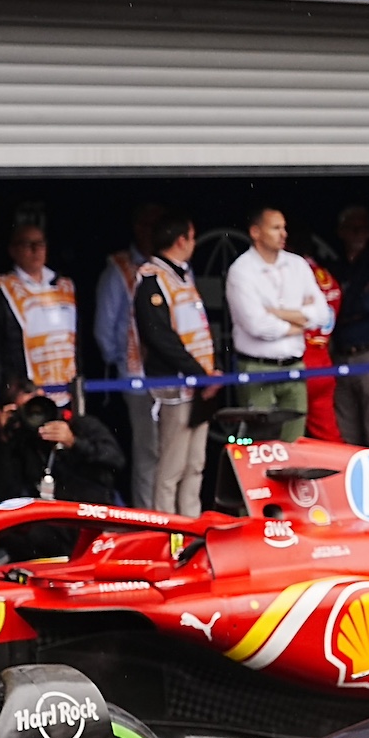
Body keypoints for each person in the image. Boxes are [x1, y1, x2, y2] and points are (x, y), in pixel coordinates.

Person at [134, 214, 218, 516]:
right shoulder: (152, 277)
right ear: (181, 240)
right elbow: (160, 337)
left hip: (199, 384)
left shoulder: (184, 275)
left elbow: (199, 331)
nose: (193, 244)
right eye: (193, 237)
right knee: (171, 468)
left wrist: (208, 374)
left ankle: (191, 531)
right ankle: (167, 538)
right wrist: (200, 375)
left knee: (195, 465)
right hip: (175, 385)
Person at [225, 207, 329, 443]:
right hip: (257, 368)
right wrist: (299, 320)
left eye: (284, 227)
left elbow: (322, 314)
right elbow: (257, 325)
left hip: (295, 367)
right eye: (275, 228)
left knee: (294, 445)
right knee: (259, 445)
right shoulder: (241, 270)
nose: (283, 233)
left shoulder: (298, 265)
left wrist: (279, 313)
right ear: (255, 232)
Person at [95, 202, 163, 506]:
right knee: (146, 453)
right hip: (135, 378)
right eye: (149, 225)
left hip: (168, 378)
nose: (154, 232)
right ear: (137, 228)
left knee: (167, 455)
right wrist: (123, 361)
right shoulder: (118, 269)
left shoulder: (166, 265)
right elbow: (104, 331)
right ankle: (149, 520)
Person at [0, 222, 77, 406]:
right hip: (24, 397)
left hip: (66, 393)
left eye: (40, 244)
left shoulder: (65, 286)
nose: (35, 250)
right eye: (27, 244)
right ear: (13, 250)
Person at [0, 378, 124, 506]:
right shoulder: (20, 441)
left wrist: (74, 442)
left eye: (36, 405)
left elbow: (115, 459)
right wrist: (5, 435)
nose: (35, 414)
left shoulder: (79, 425)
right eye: (27, 411)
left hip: (88, 507)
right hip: (45, 516)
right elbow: (4, 491)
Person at [331, 205, 369, 447]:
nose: (359, 234)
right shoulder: (336, 267)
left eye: (363, 229)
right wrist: (348, 306)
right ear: (341, 232)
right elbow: (326, 310)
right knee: (346, 436)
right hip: (343, 356)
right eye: (353, 229)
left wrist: (342, 308)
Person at [300, 245, 344, 442]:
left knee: (285, 439)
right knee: (329, 438)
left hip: (299, 363)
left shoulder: (295, 275)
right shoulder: (326, 277)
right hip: (323, 363)